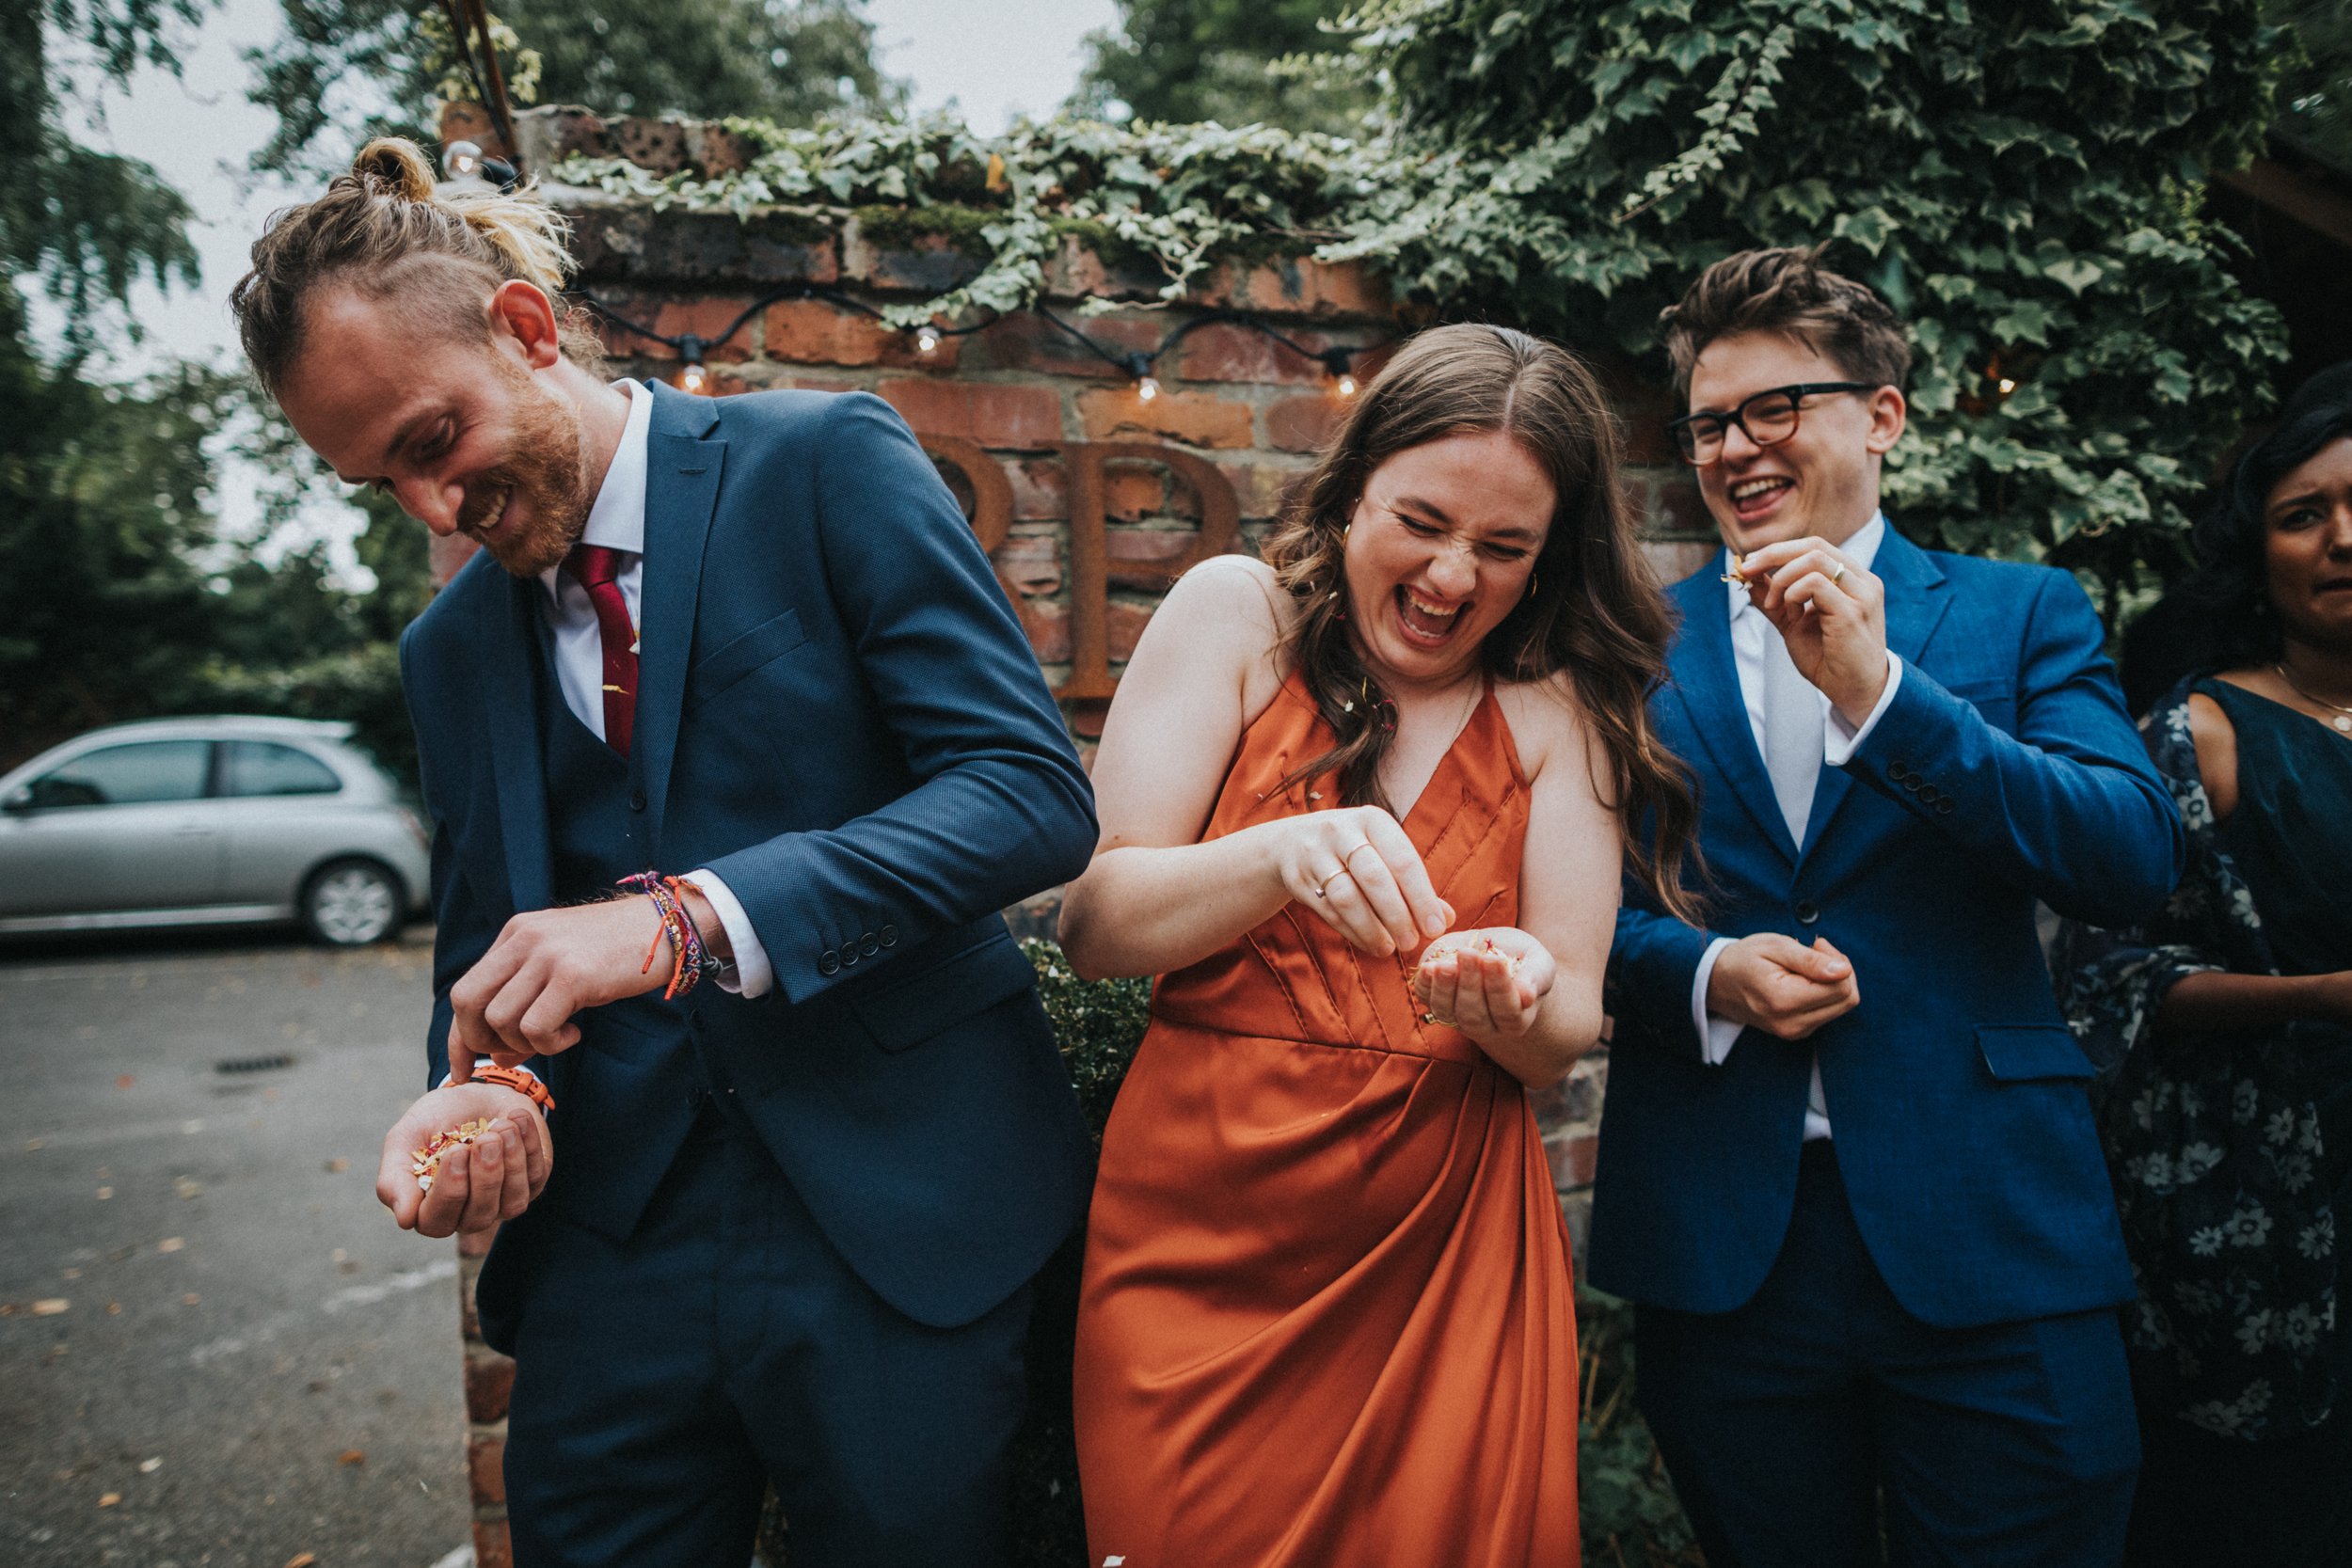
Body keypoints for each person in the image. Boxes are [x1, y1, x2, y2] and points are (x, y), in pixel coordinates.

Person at [230, 140, 1099, 1568]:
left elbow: (1024, 793)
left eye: (433, 442)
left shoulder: (822, 462)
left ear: (525, 327)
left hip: (897, 1222)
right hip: (610, 1262)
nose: (434, 511)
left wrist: (690, 917)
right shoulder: (445, 651)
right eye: (380, 480)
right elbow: (483, 957)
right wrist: (480, 1094)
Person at [1059, 323, 1701, 1567]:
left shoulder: (1561, 702)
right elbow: (1096, 923)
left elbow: (1567, 1021)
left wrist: (1512, 996)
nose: (1453, 576)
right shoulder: (1235, 615)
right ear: (1351, 490)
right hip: (1197, 1248)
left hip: (1445, 1259)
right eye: (1422, 521)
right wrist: (1274, 856)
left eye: (1505, 548)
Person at [1596, 246, 2185, 1566]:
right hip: (1728, 1238)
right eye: (1706, 423)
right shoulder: (1628, 641)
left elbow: (2133, 854)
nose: (1734, 447)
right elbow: (1581, 915)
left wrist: (1884, 696)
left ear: (1883, 414)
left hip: (1990, 1228)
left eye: (1773, 407)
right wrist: (1703, 972)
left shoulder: (2022, 611)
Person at [2058, 364, 2352, 1567]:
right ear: (2259, 551)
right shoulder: (2203, 734)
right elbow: (2106, 974)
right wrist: (2317, 999)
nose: (2344, 538)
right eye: (2302, 513)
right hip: (2281, 1202)